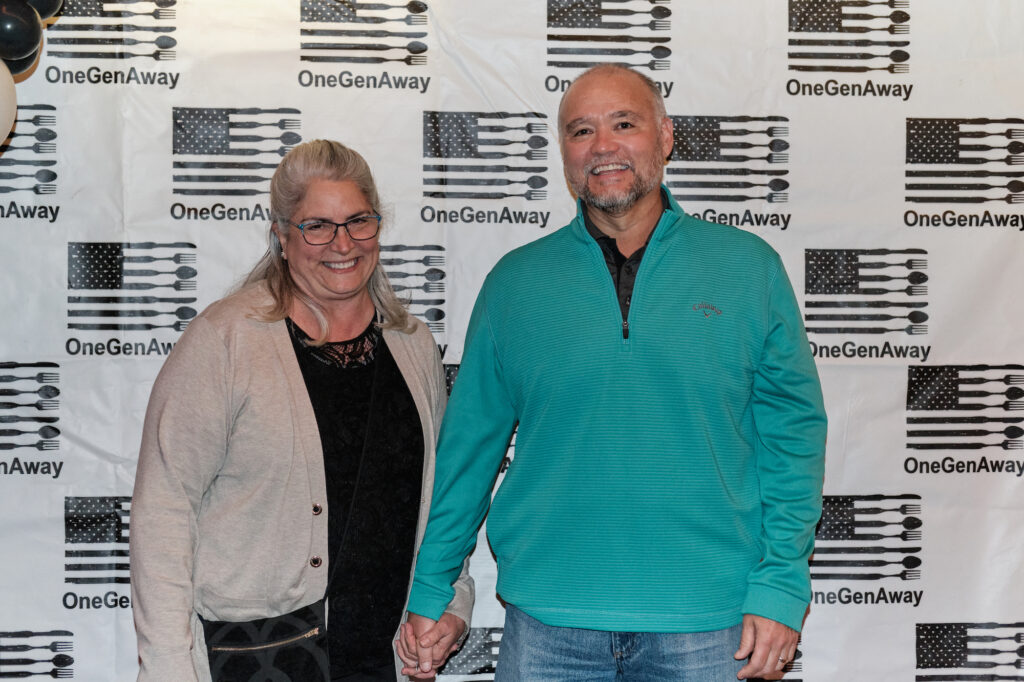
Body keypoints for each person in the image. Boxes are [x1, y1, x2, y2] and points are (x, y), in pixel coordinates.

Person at [399, 65, 827, 681]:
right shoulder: (515, 285)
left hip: (710, 627)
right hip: (549, 626)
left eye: (623, 124)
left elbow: (793, 440)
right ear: (565, 155)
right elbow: (468, 452)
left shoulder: (748, 269)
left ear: (665, 135)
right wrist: (431, 586)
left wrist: (782, 584)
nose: (602, 146)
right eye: (580, 131)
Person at [130, 139, 473, 682]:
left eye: (358, 221)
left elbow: (442, 502)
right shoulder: (225, 341)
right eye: (317, 225)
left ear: (378, 229)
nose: (341, 243)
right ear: (282, 238)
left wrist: (451, 602)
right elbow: (163, 510)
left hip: (382, 655)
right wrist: (171, 666)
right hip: (259, 657)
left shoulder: (412, 345)